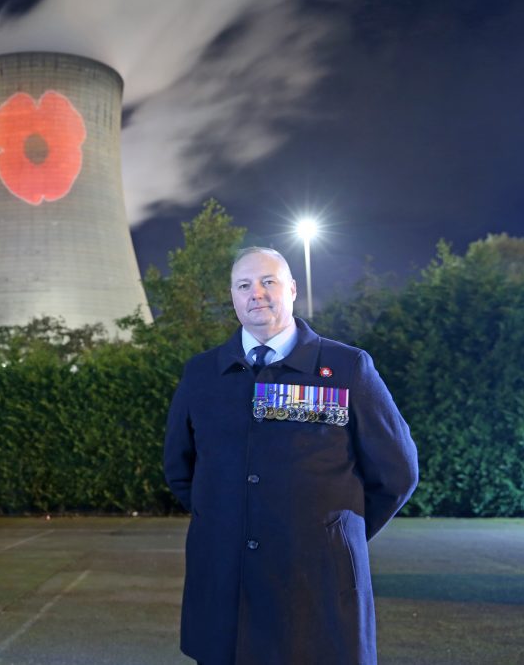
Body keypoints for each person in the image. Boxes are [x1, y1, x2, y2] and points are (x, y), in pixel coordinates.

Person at [164, 247, 418, 664]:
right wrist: (233, 520)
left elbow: (397, 471)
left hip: (316, 585)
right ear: (232, 296)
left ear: (293, 289)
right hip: (227, 585)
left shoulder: (346, 368)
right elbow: (180, 468)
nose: (256, 294)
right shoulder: (202, 374)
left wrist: (335, 531)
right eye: (244, 285)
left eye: (268, 281)